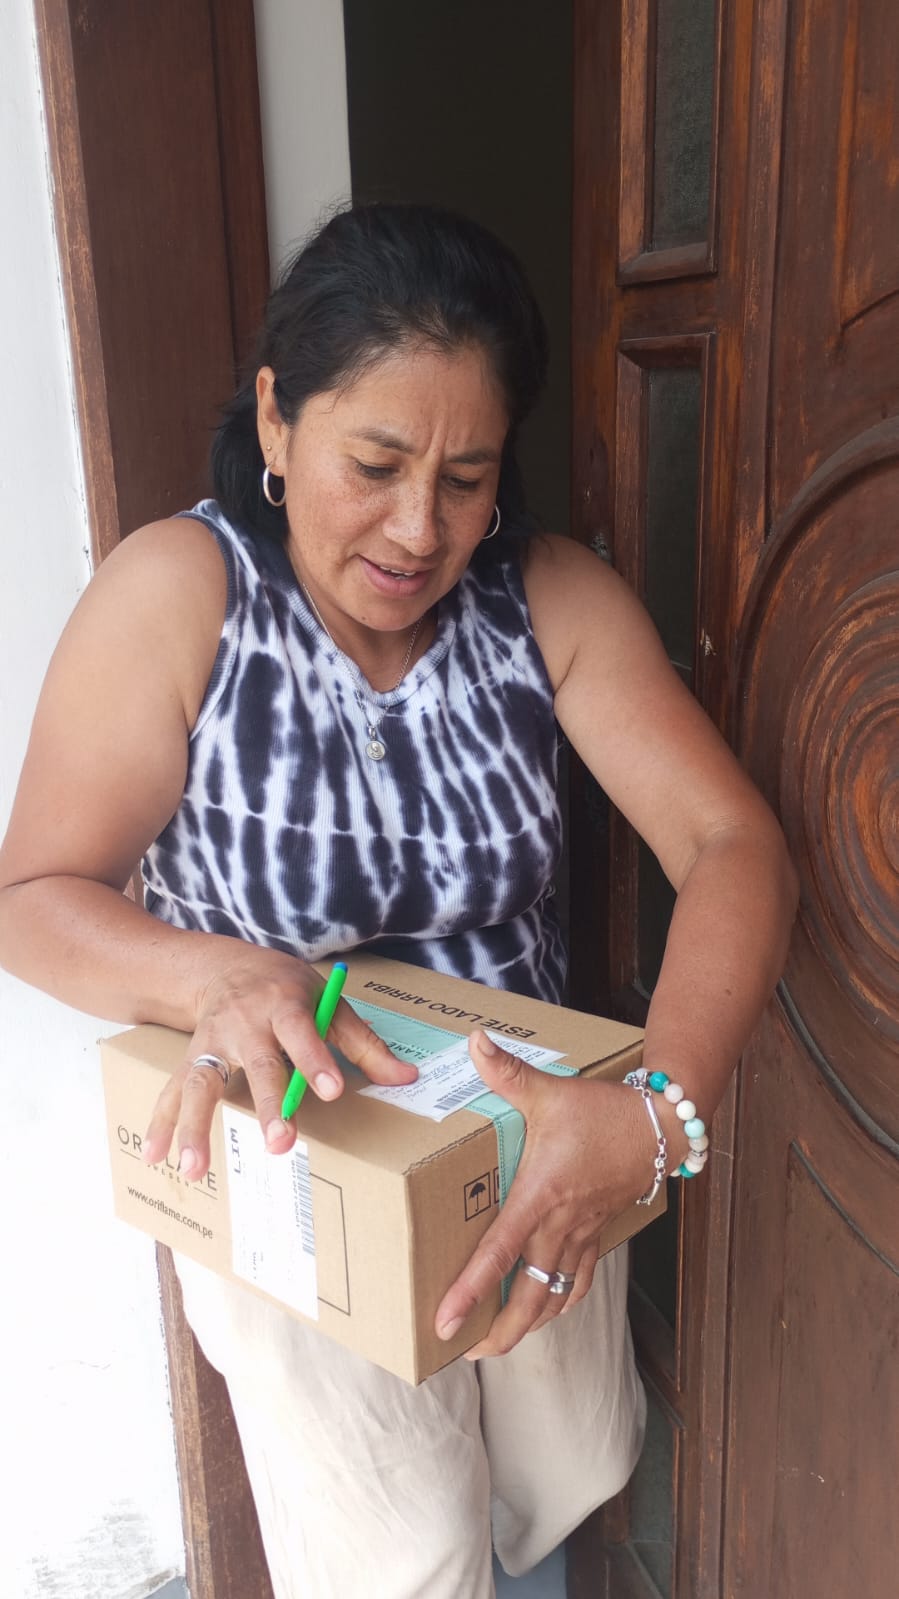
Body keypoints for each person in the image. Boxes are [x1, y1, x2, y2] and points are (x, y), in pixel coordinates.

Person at [0, 204, 797, 1597]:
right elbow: (31, 893)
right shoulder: (184, 595)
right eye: (375, 465)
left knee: (571, 1466)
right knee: (403, 1548)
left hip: (521, 1130)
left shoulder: (544, 598)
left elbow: (734, 844)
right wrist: (214, 977)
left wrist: (653, 1114)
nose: (420, 529)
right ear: (277, 418)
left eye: (467, 478)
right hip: (291, 1152)